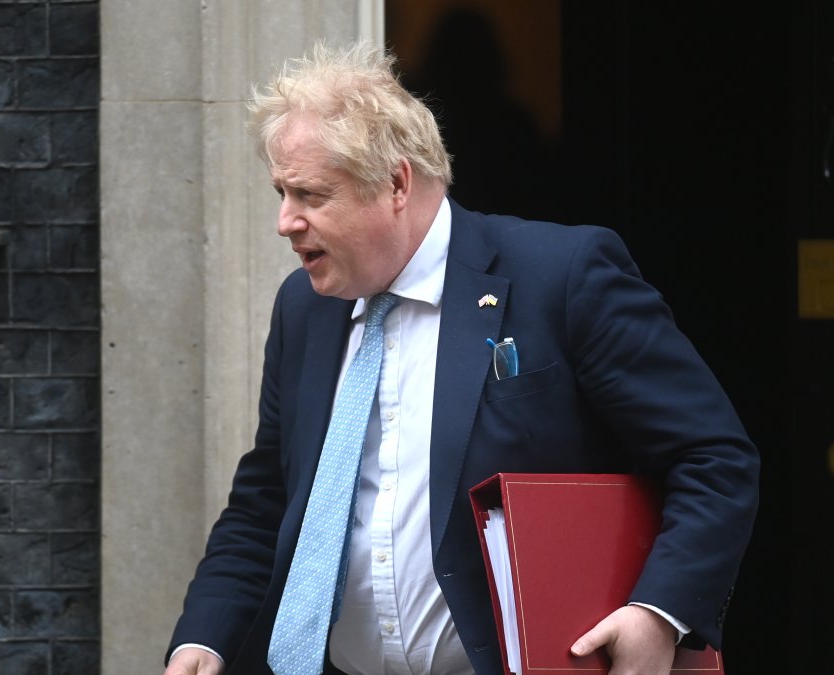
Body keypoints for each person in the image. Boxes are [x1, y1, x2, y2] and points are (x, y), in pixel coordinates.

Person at [164, 42, 759, 675]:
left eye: (310, 195)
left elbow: (714, 459)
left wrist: (657, 611)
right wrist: (204, 638)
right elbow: (270, 498)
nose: (286, 221)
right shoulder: (304, 309)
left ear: (396, 183)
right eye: (282, 192)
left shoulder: (561, 277)